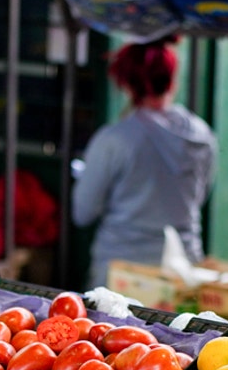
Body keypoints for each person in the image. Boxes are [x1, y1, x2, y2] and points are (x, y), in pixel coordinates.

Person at [73, 37, 217, 290]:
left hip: (120, 280)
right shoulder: (202, 135)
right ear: (173, 79)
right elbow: (201, 196)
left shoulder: (114, 139)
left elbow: (83, 212)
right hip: (183, 274)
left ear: (126, 84)